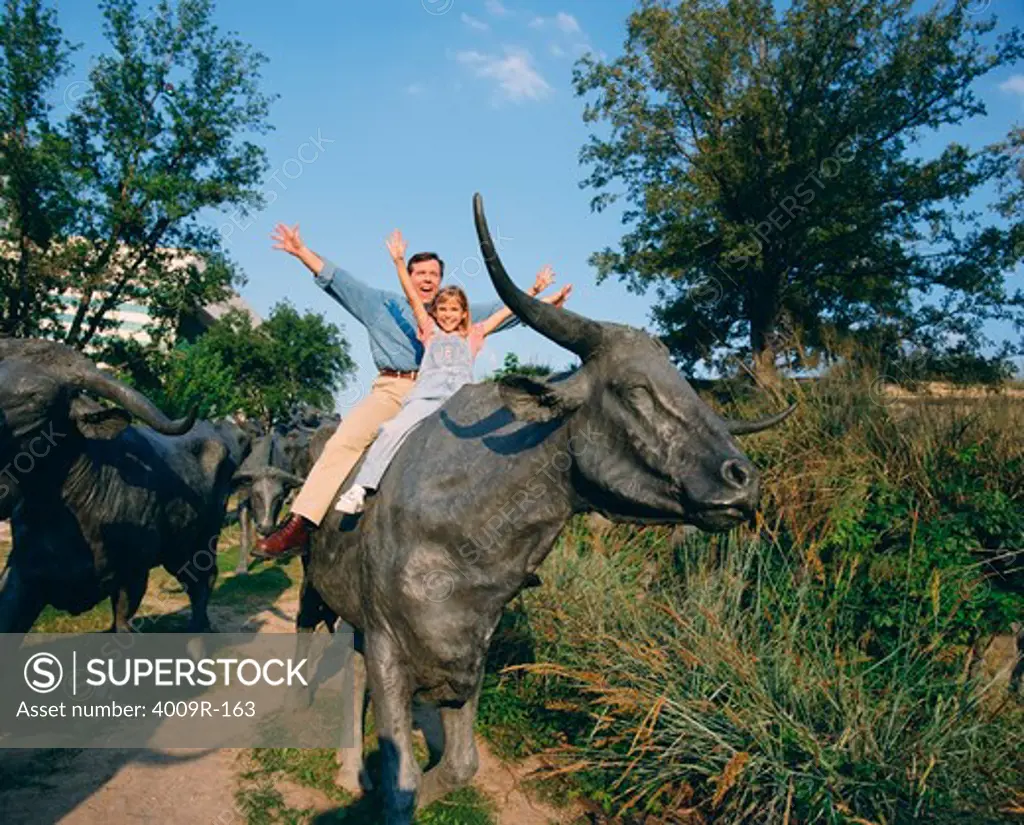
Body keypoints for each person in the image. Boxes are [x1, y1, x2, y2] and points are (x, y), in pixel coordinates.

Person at [253, 223, 560, 558]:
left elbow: (508, 311)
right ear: (410, 276)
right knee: (345, 441)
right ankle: (301, 526)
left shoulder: (455, 315)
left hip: (449, 395)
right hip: (394, 389)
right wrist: (301, 251)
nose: (428, 279)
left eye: (434, 274)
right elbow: (340, 280)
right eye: (421, 273)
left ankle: (498, 545)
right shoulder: (381, 304)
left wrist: (546, 302)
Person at [335, 230, 572, 514]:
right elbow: (412, 298)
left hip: (459, 402)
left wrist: (538, 292)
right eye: (443, 308)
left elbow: (508, 311)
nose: (448, 314)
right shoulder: (429, 331)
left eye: (454, 309)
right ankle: (361, 489)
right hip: (424, 400)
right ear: (435, 312)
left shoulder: (474, 335)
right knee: (392, 429)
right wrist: (398, 262)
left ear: (464, 313)